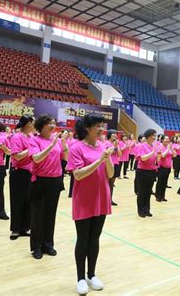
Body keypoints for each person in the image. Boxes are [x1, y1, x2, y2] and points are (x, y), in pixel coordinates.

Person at [67, 114, 114, 295]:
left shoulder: (103, 146)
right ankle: (80, 278)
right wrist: (99, 160)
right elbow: (77, 175)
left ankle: (91, 274)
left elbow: (110, 174)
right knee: (83, 239)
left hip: (101, 197)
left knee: (95, 238)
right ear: (88, 128)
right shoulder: (76, 147)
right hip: (84, 199)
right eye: (98, 126)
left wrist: (107, 159)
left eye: (102, 126)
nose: (101, 130)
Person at [29, 114, 68, 259]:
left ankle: (48, 244)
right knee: (38, 215)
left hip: (55, 180)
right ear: (42, 126)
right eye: (49, 123)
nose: (52, 125)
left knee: (50, 214)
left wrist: (64, 148)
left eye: (53, 122)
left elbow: (65, 159)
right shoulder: (34, 140)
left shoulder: (56, 140)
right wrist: (51, 146)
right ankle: (36, 247)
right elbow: (36, 158)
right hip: (40, 181)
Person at [9, 115, 35, 240]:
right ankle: (15, 229)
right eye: (33, 123)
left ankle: (25, 227)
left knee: (28, 201)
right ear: (28, 123)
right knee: (17, 200)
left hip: (30, 172)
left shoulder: (31, 137)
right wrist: (31, 149)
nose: (34, 125)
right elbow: (17, 156)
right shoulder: (16, 137)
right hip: (19, 173)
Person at [134, 129, 158, 217]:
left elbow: (155, 159)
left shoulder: (153, 146)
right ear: (148, 136)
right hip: (143, 171)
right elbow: (143, 158)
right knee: (142, 191)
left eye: (155, 136)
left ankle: (146, 209)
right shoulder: (141, 146)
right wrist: (152, 152)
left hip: (152, 171)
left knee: (148, 191)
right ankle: (140, 210)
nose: (155, 137)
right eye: (153, 135)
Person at [104, 130, 121, 206]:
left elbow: (120, 155)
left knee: (112, 183)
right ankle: (105, 199)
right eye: (113, 135)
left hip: (116, 163)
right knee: (107, 182)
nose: (115, 136)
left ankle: (110, 199)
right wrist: (114, 146)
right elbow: (108, 154)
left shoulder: (116, 144)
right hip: (108, 164)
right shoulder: (106, 143)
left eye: (115, 135)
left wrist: (117, 146)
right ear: (109, 135)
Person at [156, 135, 174, 202]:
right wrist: (168, 149)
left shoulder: (168, 147)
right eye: (166, 139)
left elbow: (174, 155)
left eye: (168, 139)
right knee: (160, 182)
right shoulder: (160, 147)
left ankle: (162, 196)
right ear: (162, 140)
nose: (167, 140)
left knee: (165, 183)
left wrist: (171, 148)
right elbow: (163, 155)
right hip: (161, 167)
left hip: (168, 167)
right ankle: (158, 196)